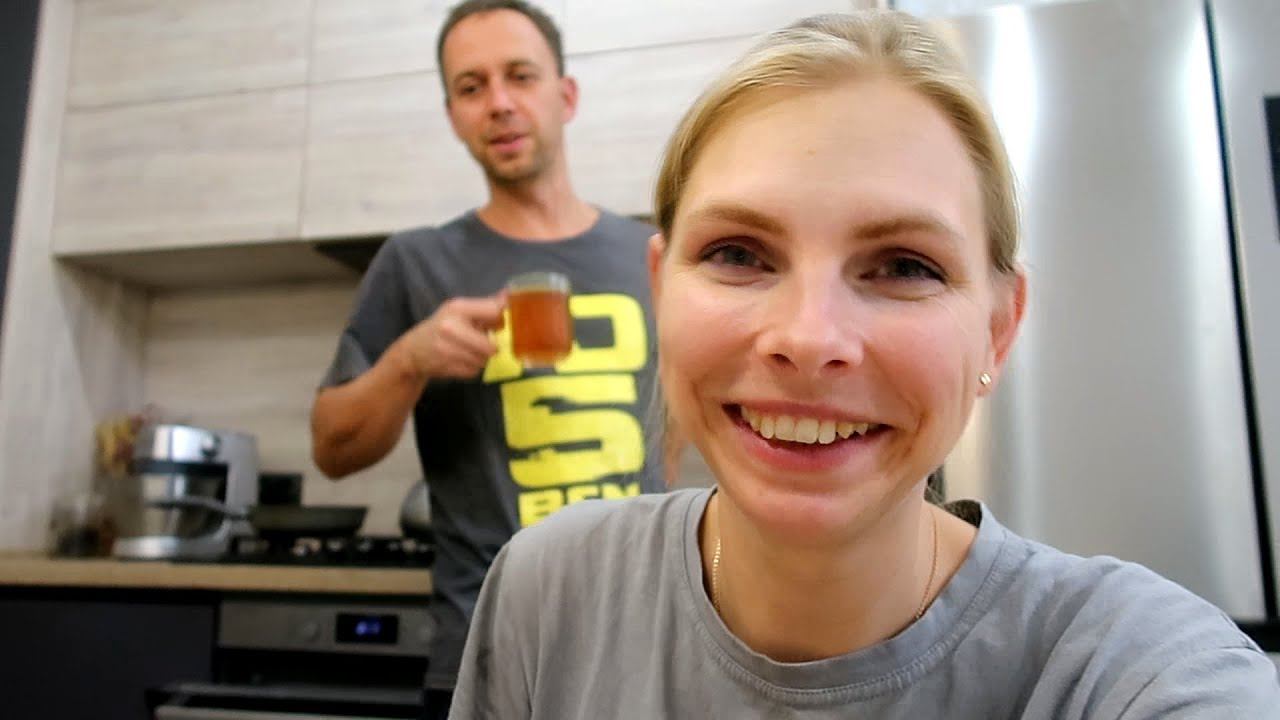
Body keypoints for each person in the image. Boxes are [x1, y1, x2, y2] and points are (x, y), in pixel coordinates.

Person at [448, 10, 1280, 718]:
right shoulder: (548, 591)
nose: (809, 338)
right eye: (738, 253)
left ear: (997, 329)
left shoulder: (1134, 668)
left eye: (905, 266)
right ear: (662, 290)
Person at [309, 1, 665, 716]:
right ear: (453, 116)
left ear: (565, 96)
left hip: (642, 647)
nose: (499, 103)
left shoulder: (650, 254)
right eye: (471, 87)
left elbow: (677, 430)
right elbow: (332, 450)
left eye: (520, 76)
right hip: (486, 659)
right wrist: (409, 360)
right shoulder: (416, 262)